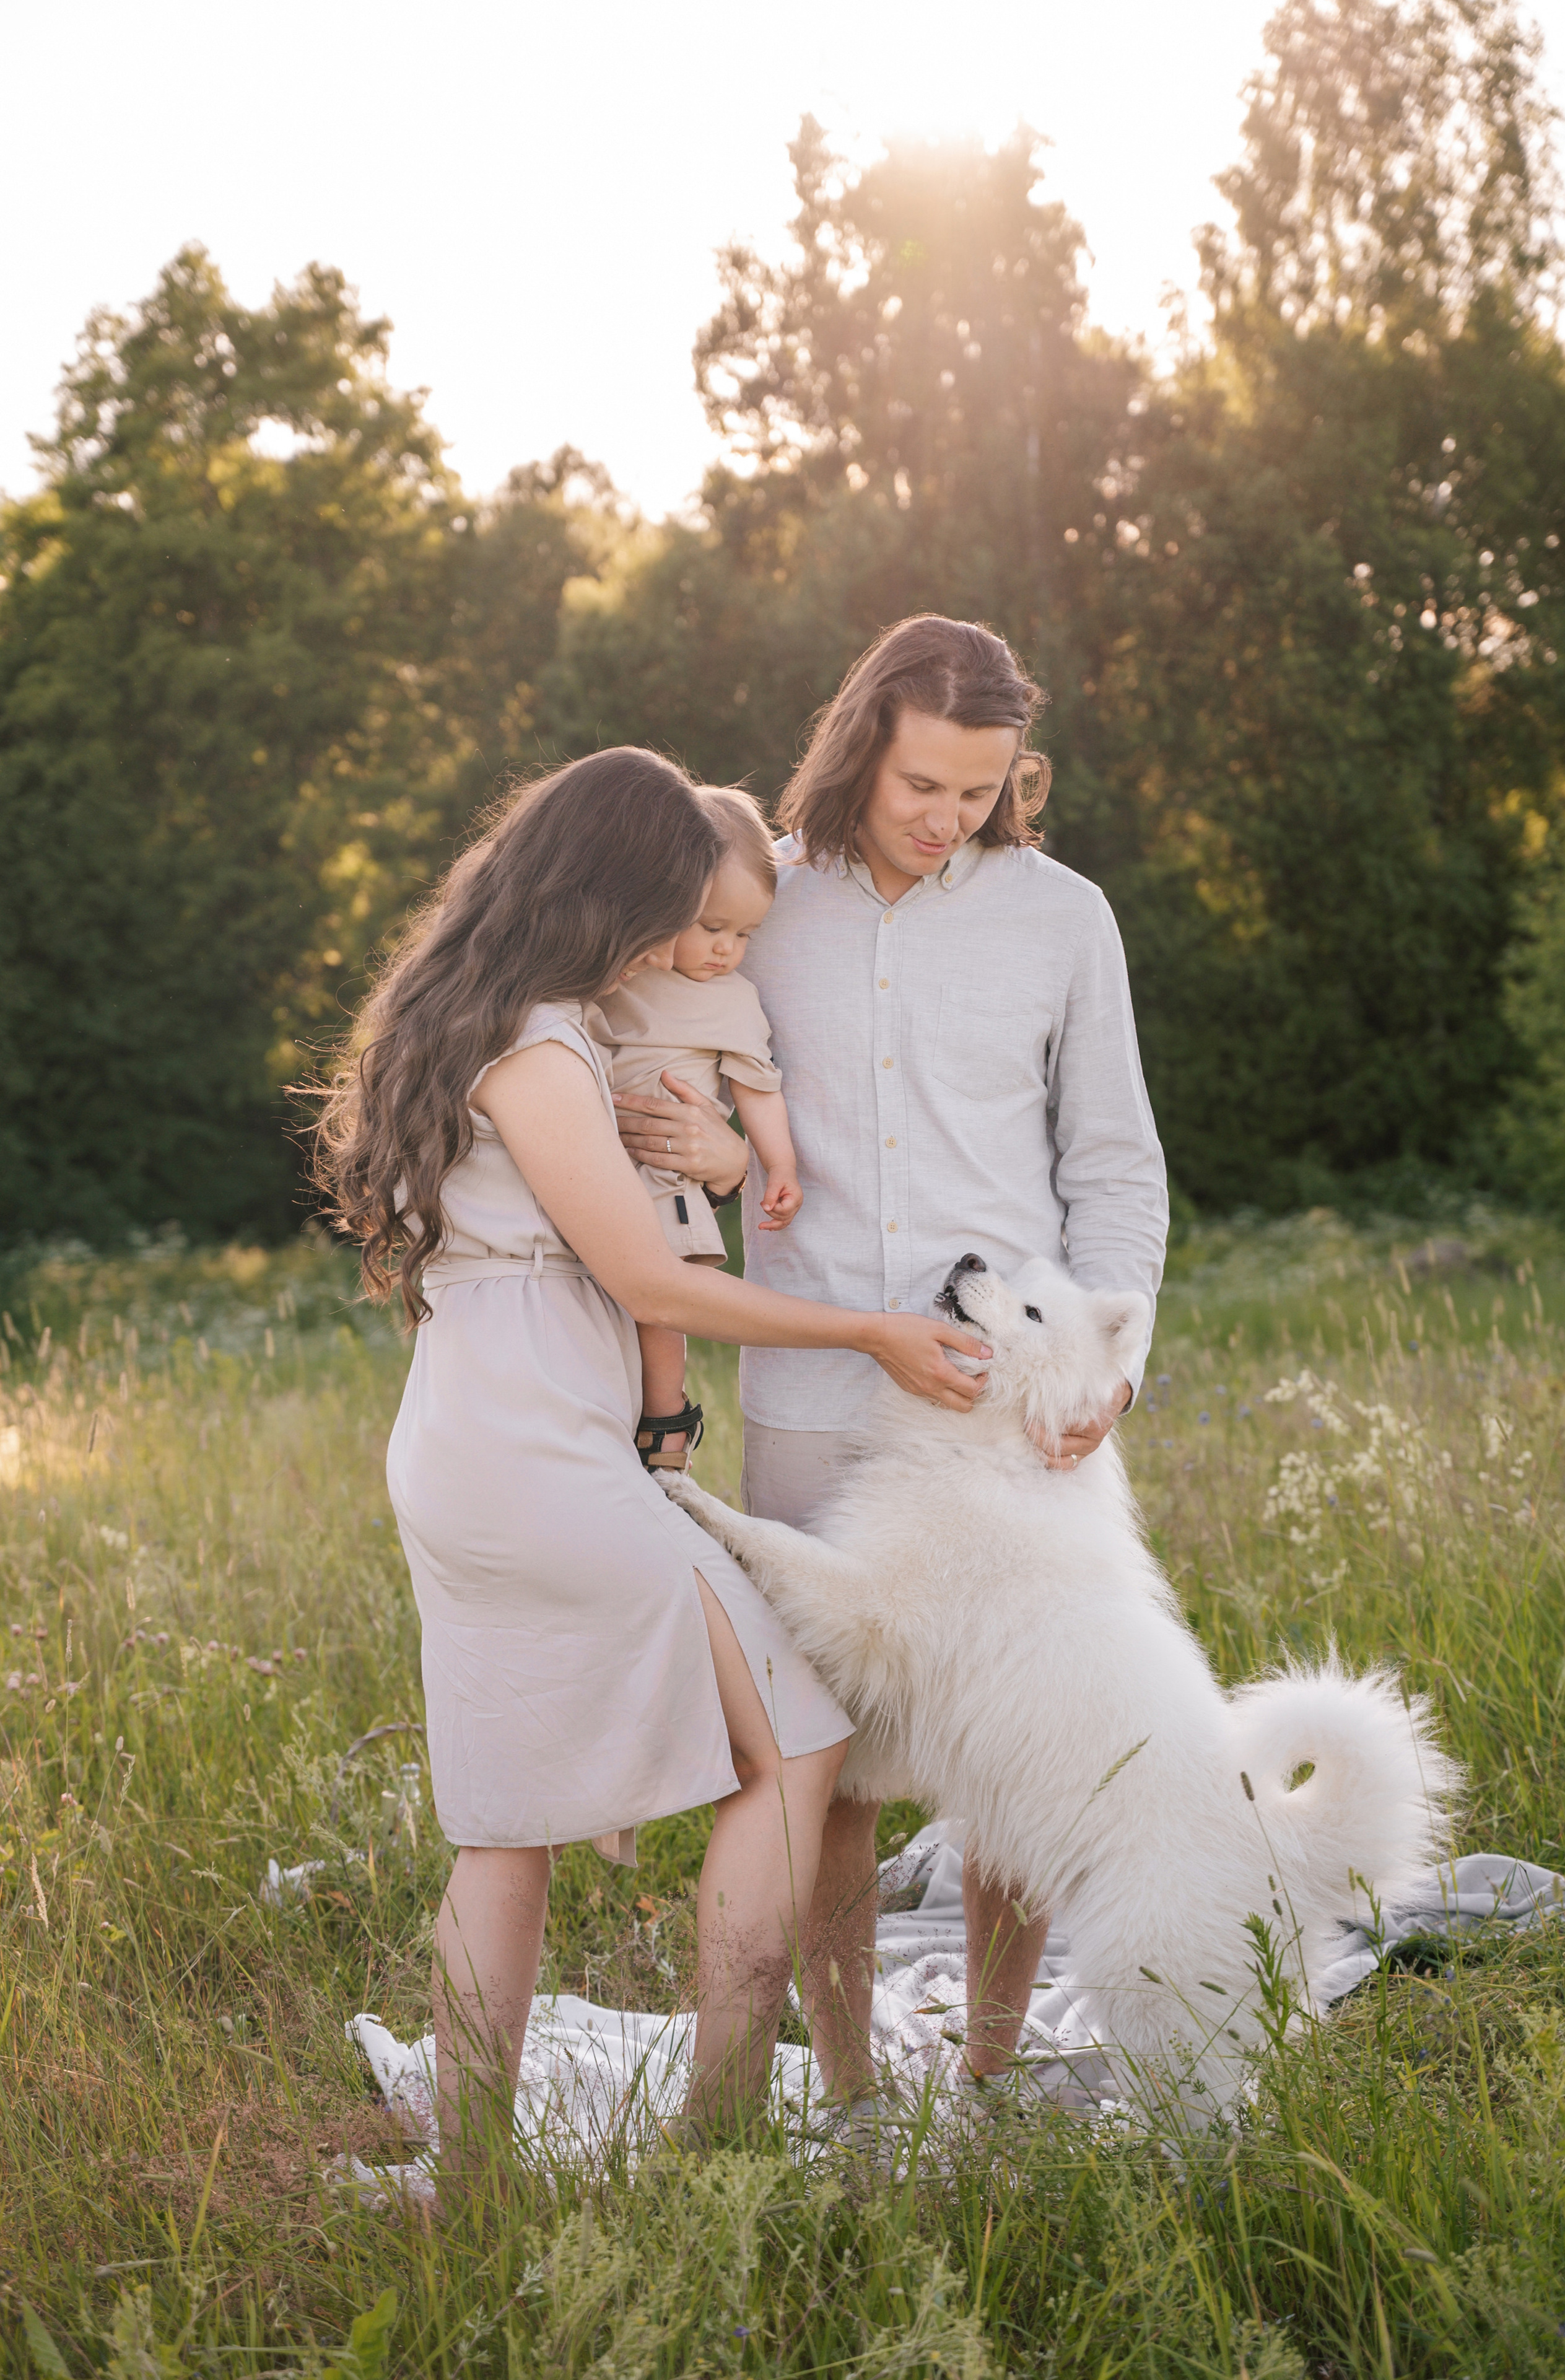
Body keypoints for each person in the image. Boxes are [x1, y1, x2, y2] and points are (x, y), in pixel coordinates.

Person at [313, 746, 992, 2190]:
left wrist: (727, 1168)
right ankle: (724, 2118)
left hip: (476, 1434)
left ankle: (475, 2174)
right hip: (537, 1455)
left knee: (508, 1827)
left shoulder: (482, 1012)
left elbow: (655, 1214)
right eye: (667, 909)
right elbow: (643, 1269)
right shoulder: (540, 1046)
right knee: (798, 1735)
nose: (678, 943)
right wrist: (869, 1325)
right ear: (605, 888)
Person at [614, 619, 1169, 2120]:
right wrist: (725, 1158)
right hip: (811, 1385)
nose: (945, 815)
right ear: (862, 745)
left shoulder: (1064, 918)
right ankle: (851, 2077)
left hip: (1015, 1403)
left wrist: (1105, 1371)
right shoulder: (754, 905)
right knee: (826, 1755)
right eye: (922, 781)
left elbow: (1114, 1164)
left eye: (978, 792)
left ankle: (987, 2058)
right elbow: (691, 1104)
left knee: (1015, 1731)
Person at [585, 789, 800, 1472]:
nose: (726, 950)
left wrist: (780, 1165)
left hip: (664, 1176)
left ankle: (665, 1425)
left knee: (658, 1302)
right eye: (711, 926)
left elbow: (757, 1088)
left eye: (744, 935)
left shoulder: (732, 1001)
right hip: (586, 1165)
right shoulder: (618, 975)